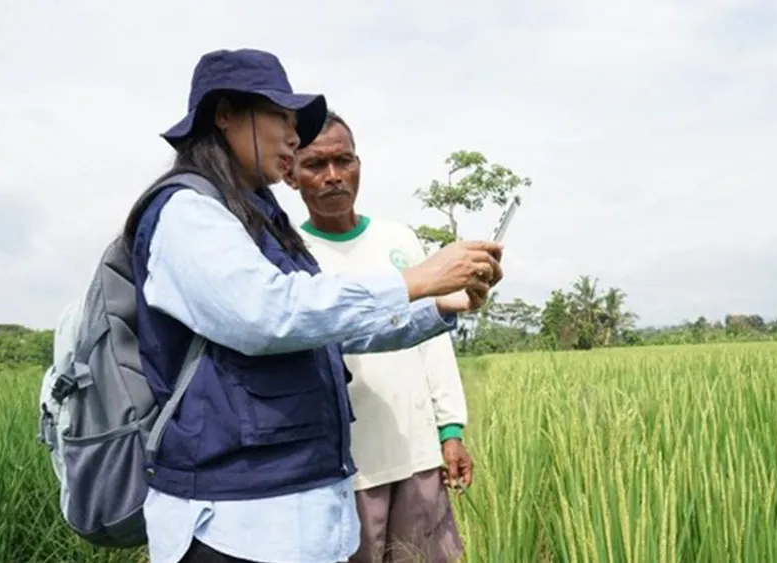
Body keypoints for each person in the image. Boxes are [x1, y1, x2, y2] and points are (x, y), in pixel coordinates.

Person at [133, 48, 503, 563]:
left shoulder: (255, 220)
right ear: (225, 115)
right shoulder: (188, 213)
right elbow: (269, 313)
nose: (293, 135)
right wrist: (414, 280)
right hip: (232, 519)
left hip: (290, 510)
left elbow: (328, 330)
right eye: (281, 118)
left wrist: (444, 305)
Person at [284, 111, 472, 563]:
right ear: (290, 174)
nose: (332, 177)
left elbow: (431, 336)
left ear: (359, 165)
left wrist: (450, 428)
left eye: (343, 161)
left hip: (416, 451)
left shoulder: (400, 239)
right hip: (344, 467)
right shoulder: (290, 251)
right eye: (314, 165)